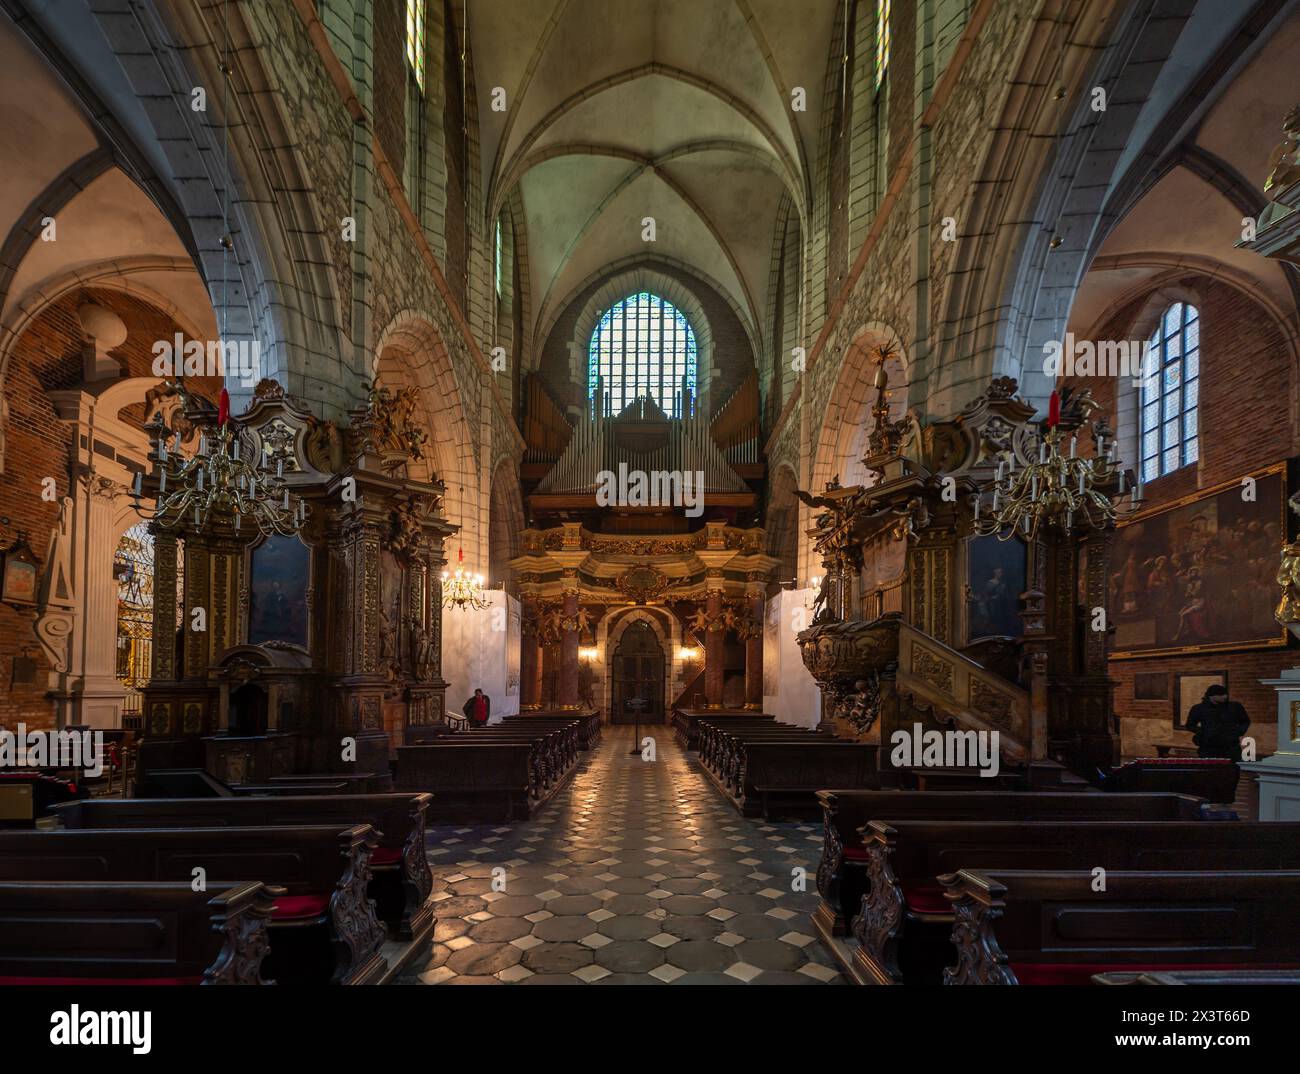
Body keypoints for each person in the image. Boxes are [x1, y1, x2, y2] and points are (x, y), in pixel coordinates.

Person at [1185, 685, 1250, 761]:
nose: (1225, 697)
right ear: (1211, 696)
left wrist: (1237, 732)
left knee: (1232, 769)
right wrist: (1204, 732)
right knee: (1210, 770)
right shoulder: (1199, 708)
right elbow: (1190, 725)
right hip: (1209, 747)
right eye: (1220, 695)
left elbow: (1245, 721)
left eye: (1225, 694)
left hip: (1231, 746)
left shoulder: (1235, 707)